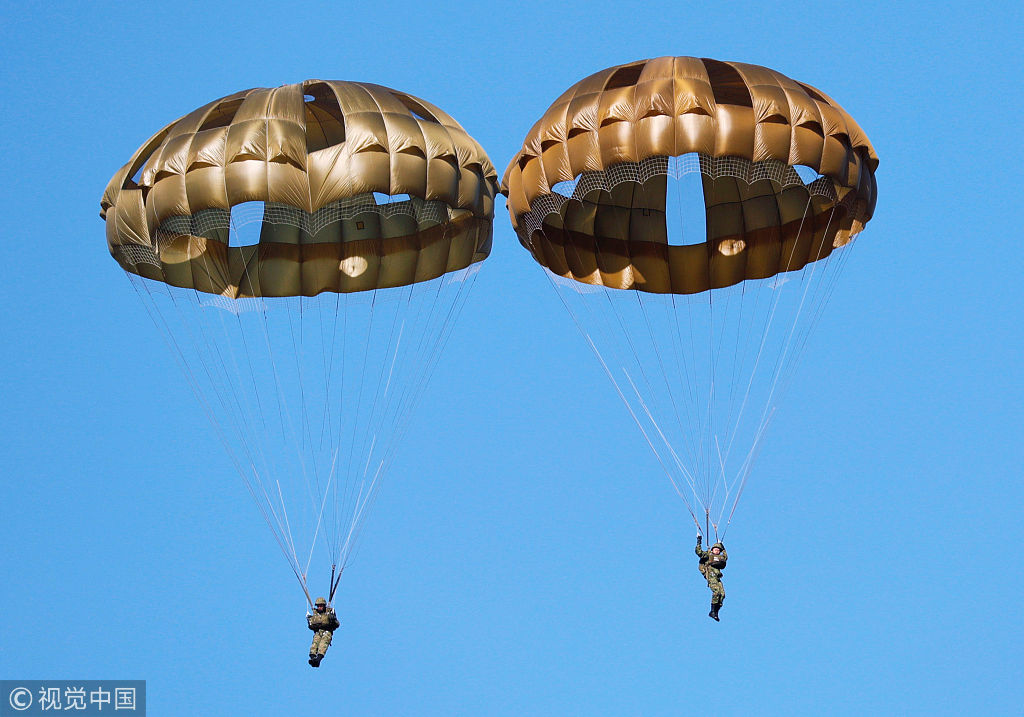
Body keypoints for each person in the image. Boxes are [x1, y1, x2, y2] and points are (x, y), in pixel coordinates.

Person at [695, 535, 727, 621]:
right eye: (715, 549)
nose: (717, 551)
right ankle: (713, 611)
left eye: (718, 550)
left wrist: (723, 549)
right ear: (712, 550)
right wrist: (699, 542)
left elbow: (725, 558)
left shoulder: (720, 557)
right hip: (711, 576)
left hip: (717, 577)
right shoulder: (708, 555)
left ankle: (715, 612)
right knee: (716, 592)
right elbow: (699, 552)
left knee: (722, 595)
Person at [307, 597, 340, 667]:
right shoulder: (315, 615)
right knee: (314, 645)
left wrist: (333, 620)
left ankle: (318, 659)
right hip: (318, 632)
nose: (319, 608)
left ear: (324, 606)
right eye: (318, 606)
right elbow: (311, 626)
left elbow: (337, 625)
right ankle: (313, 659)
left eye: (321, 606)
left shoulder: (329, 613)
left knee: (322, 645)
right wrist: (309, 621)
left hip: (327, 632)